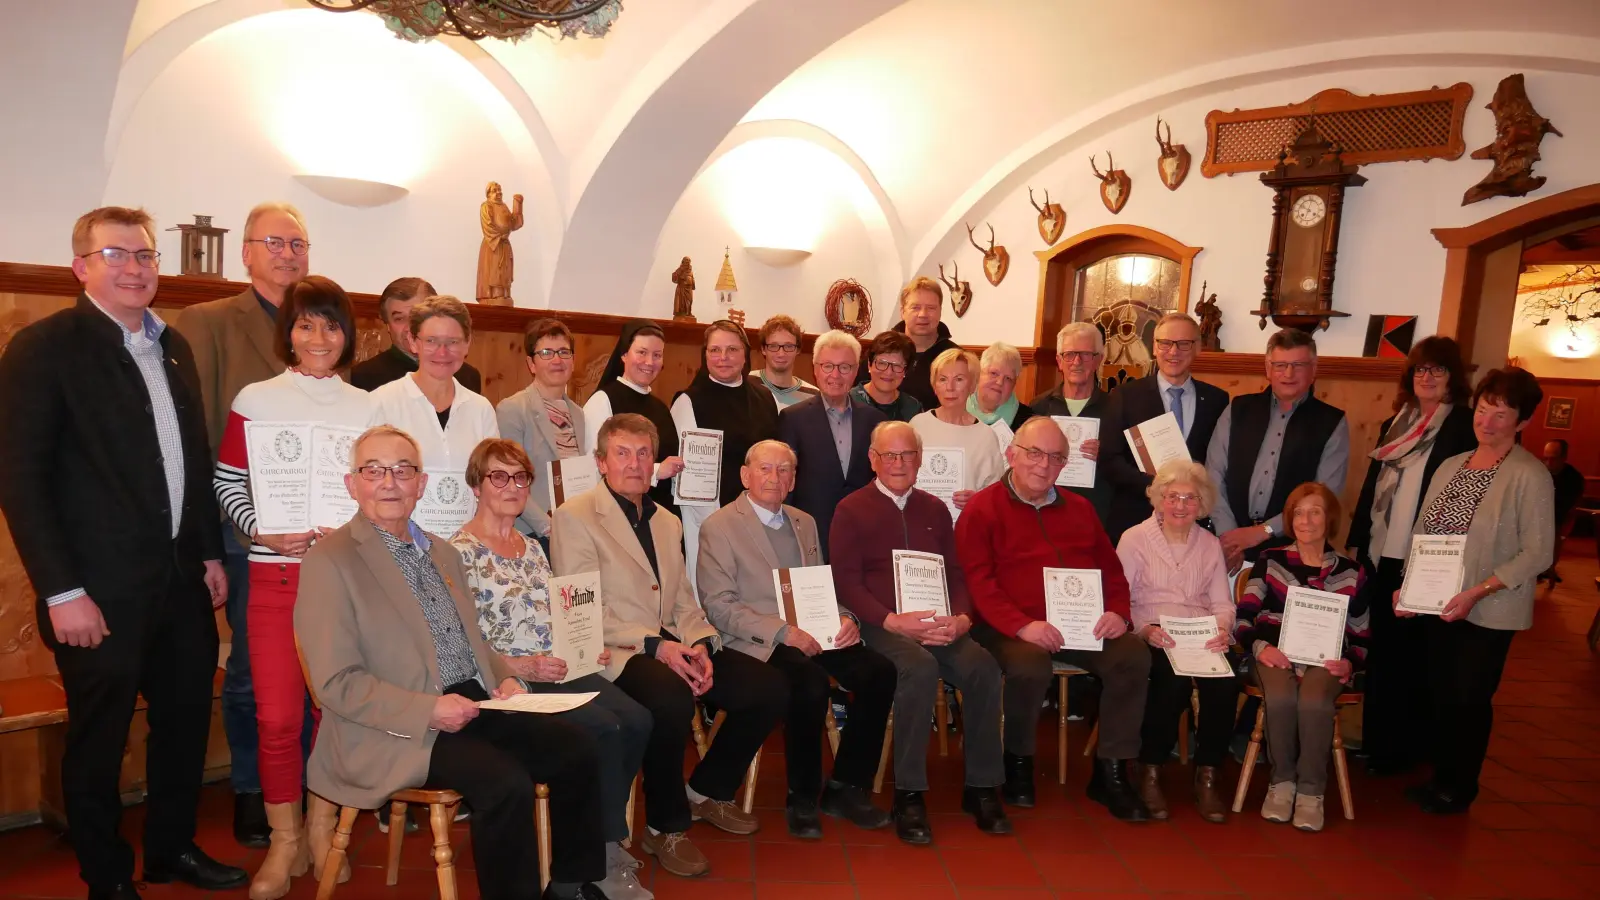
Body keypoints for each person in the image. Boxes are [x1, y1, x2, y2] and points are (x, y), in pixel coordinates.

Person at [0, 206, 246, 899]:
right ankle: (105, 876)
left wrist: (205, 555)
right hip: (93, 592)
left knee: (182, 727)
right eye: (117, 255)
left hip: (178, 583)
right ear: (82, 266)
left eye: (144, 255)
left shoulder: (174, 347)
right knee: (99, 741)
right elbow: (20, 480)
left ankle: (170, 849)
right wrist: (59, 591)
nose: (136, 267)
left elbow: (190, 463)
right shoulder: (42, 349)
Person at [295, 425, 607, 900]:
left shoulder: (441, 552)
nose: (389, 482)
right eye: (373, 470)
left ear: (421, 485)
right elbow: (337, 683)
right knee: (506, 784)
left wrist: (505, 678)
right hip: (397, 725)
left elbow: (472, 637)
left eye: (402, 470)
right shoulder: (329, 561)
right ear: (351, 483)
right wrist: (429, 710)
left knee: (577, 748)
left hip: (473, 702)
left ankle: (569, 885)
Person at [551, 414, 787, 878]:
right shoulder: (573, 517)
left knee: (768, 688)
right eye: (622, 453)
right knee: (669, 697)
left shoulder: (665, 520)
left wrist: (700, 641)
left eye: (643, 453)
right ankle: (664, 826)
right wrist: (655, 645)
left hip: (671, 641)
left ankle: (707, 789)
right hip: (616, 650)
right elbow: (581, 611)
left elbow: (681, 598)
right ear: (601, 461)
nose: (634, 464)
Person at [210, 276, 372, 900]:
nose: (319, 338)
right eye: (306, 324)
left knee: (334, 715)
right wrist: (264, 530)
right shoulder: (257, 397)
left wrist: (356, 526)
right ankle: (285, 840)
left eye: (331, 325)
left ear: (348, 334)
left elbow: (384, 489)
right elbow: (228, 482)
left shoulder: (367, 408)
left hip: (343, 581)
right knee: (278, 717)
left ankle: (326, 833)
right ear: (289, 332)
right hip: (274, 576)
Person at [449, 439, 653, 900]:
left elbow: (557, 616)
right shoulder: (459, 552)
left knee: (638, 719)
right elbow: (464, 640)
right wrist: (519, 664)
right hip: (509, 680)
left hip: (558, 668)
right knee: (602, 729)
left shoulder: (532, 547)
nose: (512, 486)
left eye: (520, 477)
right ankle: (587, 865)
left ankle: (600, 838)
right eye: (498, 476)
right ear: (477, 485)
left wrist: (586, 646)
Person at [174, 200, 308, 846]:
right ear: (247, 252)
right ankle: (254, 789)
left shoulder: (320, 324)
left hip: (320, 535)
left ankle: (309, 782)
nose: (288, 254)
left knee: (315, 662)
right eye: (275, 243)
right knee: (256, 667)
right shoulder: (207, 322)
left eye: (299, 244)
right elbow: (195, 437)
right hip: (244, 526)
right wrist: (202, 538)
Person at [696, 440, 896, 839]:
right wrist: (783, 631)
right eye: (766, 468)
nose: (775, 477)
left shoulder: (804, 521)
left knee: (879, 671)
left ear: (794, 479)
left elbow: (819, 583)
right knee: (808, 682)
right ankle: (802, 796)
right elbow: (718, 606)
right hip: (758, 638)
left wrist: (845, 615)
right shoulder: (718, 526)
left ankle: (846, 786)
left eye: (785, 469)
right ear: (745, 475)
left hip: (813, 628)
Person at [956, 417, 1151, 822]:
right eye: (1034, 453)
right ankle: (1019, 761)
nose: (1044, 465)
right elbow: (978, 581)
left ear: (1065, 464)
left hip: (1079, 623)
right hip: (1006, 624)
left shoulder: (1080, 509)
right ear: (1012, 455)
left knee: (1131, 654)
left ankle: (1111, 771)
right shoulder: (982, 508)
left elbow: (1111, 571)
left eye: (1055, 457)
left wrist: (1119, 612)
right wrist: (1023, 625)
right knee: (1029, 664)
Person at [830, 421, 1010, 845]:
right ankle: (910, 793)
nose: (898, 463)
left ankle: (982, 786)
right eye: (889, 455)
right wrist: (891, 620)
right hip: (878, 624)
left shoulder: (935, 508)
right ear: (872, 460)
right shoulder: (850, 509)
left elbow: (957, 572)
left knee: (983, 667)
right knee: (918, 668)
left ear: (920, 459)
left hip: (938, 621)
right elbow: (846, 582)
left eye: (907, 455)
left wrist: (963, 618)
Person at [1398, 367, 1555, 815]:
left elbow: (1538, 552)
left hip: (1489, 610)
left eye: (1500, 414)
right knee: (1441, 693)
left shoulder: (1530, 475)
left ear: (1522, 422)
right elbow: (1423, 532)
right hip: (1438, 603)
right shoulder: (1453, 464)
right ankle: (1441, 776)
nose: (1486, 422)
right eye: (1483, 410)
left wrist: (1478, 591)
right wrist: (1408, 589)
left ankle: (1459, 786)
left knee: (1469, 699)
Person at [1345, 336, 1475, 777]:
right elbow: (1371, 486)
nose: (1427, 377)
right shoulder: (1395, 424)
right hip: (1385, 554)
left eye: (1437, 370)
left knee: (1419, 657)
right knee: (1383, 652)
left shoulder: (1463, 427)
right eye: (1421, 369)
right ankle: (1380, 745)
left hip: (1430, 558)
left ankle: (1409, 748)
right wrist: (1360, 541)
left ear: (1453, 378)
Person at [1235, 483, 1369, 833]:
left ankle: (1311, 791)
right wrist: (1261, 647)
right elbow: (1244, 619)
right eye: (1298, 513)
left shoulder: (1353, 572)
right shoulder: (1270, 561)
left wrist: (1350, 662)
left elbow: (1361, 636)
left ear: (1330, 519)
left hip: (1326, 660)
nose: (1305, 520)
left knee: (1313, 700)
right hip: (1273, 653)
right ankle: (1282, 784)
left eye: (1315, 511)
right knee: (1279, 696)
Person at [1116, 461, 1237, 824]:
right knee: (1172, 683)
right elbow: (1118, 597)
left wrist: (1221, 630)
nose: (1181, 505)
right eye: (1173, 497)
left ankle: (1208, 774)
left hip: (1199, 635)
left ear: (1201, 505)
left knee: (1225, 686)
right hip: (1153, 631)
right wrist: (1144, 629)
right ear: (1159, 499)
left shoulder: (1210, 543)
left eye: (1190, 498)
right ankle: (1150, 769)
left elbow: (1221, 602)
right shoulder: (1134, 538)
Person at [1207, 328, 1350, 572]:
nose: (1289, 373)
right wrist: (1231, 539)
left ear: (1314, 369)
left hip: (1293, 552)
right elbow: (1213, 475)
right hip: (1227, 545)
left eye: (1299, 365)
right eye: (1281, 364)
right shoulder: (1238, 409)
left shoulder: (1332, 422)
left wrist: (1263, 531)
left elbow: (1325, 496)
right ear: (1268, 367)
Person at [1101, 313, 1230, 543]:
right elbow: (1110, 461)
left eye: (1183, 344)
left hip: (1193, 524)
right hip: (1136, 520)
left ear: (1197, 348)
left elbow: (1219, 463)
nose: (1173, 352)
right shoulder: (1125, 396)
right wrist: (1158, 487)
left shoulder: (1216, 400)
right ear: (1154, 347)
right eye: (1165, 343)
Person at [670, 320, 781, 586]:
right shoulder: (688, 402)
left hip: (761, 517)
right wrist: (724, 527)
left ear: (745, 354)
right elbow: (690, 481)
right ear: (705, 355)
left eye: (732, 350)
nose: (723, 358)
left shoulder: (765, 399)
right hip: (711, 521)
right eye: (715, 350)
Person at [778, 330, 886, 561]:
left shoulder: (875, 421)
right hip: (809, 536)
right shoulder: (792, 418)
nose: (835, 375)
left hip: (863, 535)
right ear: (815, 369)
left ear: (856, 371)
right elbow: (785, 483)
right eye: (828, 366)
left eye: (844, 367)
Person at [368, 295, 499, 472]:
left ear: (467, 344)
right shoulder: (382, 402)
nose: (442, 352)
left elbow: (491, 478)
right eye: (431, 341)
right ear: (413, 342)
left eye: (453, 342)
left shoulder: (481, 409)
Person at [495, 318, 586, 552]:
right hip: (531, 535)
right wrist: (548, 527)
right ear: (531, 363)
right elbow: (510, 482)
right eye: (546, 352)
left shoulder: (578, 413)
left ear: (573, 361)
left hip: (573, 531)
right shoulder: (513, 409)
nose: (557, 360)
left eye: (564, 352)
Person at [580, 321, 685, 517]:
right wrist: (656, 471)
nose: (649, 362)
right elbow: (595, 467)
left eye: (657, 355)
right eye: (642, 352)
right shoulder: (603, 401)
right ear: (624, 355)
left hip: (660, 516)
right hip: (618, 515)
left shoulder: (661, 408)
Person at [1030, 322, 1111, 521]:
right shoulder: (1040, 407)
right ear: (1059, 360)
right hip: (1046, 513)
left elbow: (1128, 468)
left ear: (1098, 360)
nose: (1077, 362)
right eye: (1069, 354)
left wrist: (1106, 455)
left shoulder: (1116, 408)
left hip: (1097, 516)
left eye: (1085, 354)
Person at [909, 348, 1006, 514]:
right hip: (919, 523)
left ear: (972, 385)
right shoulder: (917, 426)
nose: (950, 387)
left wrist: (977, 500)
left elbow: (995, 494)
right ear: (934, 386)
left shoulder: (986, 436)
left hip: (966, 525)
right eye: (942, 379)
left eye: (959, 379)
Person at [350, 277, 483, 393]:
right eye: (399, 319)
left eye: (418, 316)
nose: (410, 327)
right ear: (387, 325)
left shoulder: (467, 376)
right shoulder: (364, 377)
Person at [856, 277, 959, 409]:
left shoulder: (955, 358)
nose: (923, 314)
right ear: (902, 312)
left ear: (940, 312)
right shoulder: (879, 351)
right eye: (915, 307)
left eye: (931, 308)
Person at [1540, 438, 1588, 585]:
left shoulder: (1574, 478)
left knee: (1553, 531)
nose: (1548, 463)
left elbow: (1566, 508)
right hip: (1537, 515)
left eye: (1553, 459)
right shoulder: (1538, 471)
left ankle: (1547, 569)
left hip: (1558, 518)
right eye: (1545, 458)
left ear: (1564, 458)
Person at [851, 331, 922, 421]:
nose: (888, 372)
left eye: (897, 365)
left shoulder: (913, 408)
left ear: (905, 371)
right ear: (869, 364)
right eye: (882, 363)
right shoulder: (848, 401)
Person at [751, 314, 817, 408]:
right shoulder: (746, 383)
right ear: (763, 349)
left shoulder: (813, 396)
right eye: (773, 346)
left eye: (788, 346)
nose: (781, 354)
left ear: (797, 350)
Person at [969, 342, 1034, 436]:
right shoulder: (957, 409)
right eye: (994, 373)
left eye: (1008, 378)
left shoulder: (1028, 421)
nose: (1000, 382)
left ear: (1014, 384)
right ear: (979, 372)